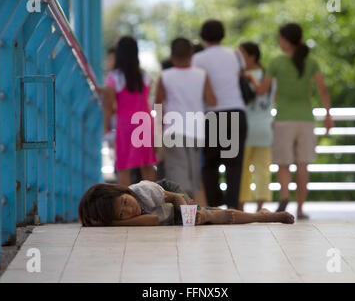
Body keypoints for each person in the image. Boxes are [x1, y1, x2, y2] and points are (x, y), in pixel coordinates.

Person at [248, 23, 334, 219]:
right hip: (306, 119)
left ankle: (285, 197)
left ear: (286, 41)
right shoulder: (311, 62)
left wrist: (251, 80)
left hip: (283, 119)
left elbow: (262, 90)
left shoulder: (276, 63)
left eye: (280, 38)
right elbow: (323, 89)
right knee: (303, 164)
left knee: (283, 163)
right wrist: (328, 115)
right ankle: (301, 208)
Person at [192, 19, 248, 209]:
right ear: (223, 34)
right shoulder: (235, 54)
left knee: (210, 165)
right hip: (236, 111)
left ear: (203, 36)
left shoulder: (198, 58)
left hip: (212, 114)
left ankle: (214, 207)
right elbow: (241, 77)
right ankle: (233, 208)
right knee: (234, 165)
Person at [155, 38, 217, 205]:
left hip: (174, 132)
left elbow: (158, 107)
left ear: (172, 56)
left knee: (178, 181)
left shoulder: (165, 76)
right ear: (191, 54)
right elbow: (212, 100)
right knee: (195, 179)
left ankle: (185, 216)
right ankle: (202, 214)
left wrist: (156, 135)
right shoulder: (202, 75)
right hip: (197, 132)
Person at [78, 179, 295, 226]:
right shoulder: (126, 215)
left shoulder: (144, 191)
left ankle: (265, 217)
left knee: (211, 215)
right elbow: (152, 219)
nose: (130, 209)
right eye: (122, 215)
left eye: (125, 201)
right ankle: (264, 213)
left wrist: (191, 213)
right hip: (165, 211)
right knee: (209, 214)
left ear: (124, 191)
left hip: (171, 195)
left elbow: (154, 217)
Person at [99, 36, 157, 186]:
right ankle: (153, 203)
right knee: (147, 165)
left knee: (124, 167)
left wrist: (105, 127)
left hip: (126, 124)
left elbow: (108, 105)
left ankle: (124, 202)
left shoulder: (114, 77)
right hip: (144, 122)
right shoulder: (144, 75)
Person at [238, 42, 274, 212]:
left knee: (242, 169)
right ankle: (261, 206)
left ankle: (241, 206)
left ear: (251, 56)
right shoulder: (270, 77)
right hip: (265, 129)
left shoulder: (242, 76)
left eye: (242, 54)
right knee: (263, 170)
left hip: (244, 129)